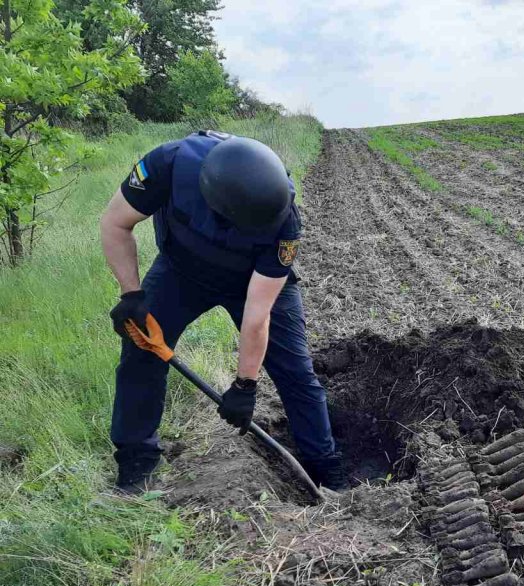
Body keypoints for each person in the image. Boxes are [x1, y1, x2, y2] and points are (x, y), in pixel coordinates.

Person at [101, 130, 344, 493]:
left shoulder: (285, 223)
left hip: (251, 281)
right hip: (180, 272)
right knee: (142, 351)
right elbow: (115, 223)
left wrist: (245, 385)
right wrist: (131, 295)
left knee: (295, 370)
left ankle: (324, 466)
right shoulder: (167, 165)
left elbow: (257, 314)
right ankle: (137, 461)